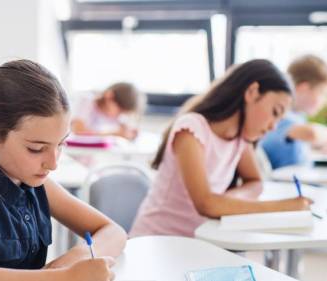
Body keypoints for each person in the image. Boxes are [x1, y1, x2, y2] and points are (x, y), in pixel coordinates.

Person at [0, 59, 126, 281]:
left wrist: (73, 261)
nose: (53, 163)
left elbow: (114, 231)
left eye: (60, 144)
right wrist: (62, 278)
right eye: (36, 149)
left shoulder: (37, 182)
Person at [130, 59, 312, 238]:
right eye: (275, 112)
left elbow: (255, 182)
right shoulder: (192, 129)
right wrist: (284, 206)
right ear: (252, 92)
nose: (273, 127)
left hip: (199, 241)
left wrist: (227, 200)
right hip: (156, 241)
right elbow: (206, 205)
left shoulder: (240, 139)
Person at [261, 54, 327, 169]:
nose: (325, 102)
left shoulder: (298, 116)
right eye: (323, 93)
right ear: (303, 88)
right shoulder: (281, 114)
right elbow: (311, 133)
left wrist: (323, 147)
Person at [71, 82, 143, 140]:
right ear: (109, 96)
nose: (119, 115)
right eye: (119, 111)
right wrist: (114, 133)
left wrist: (130, 131)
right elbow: (78, 131)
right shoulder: (87, 100)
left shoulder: (116, 115)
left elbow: (125, 126)